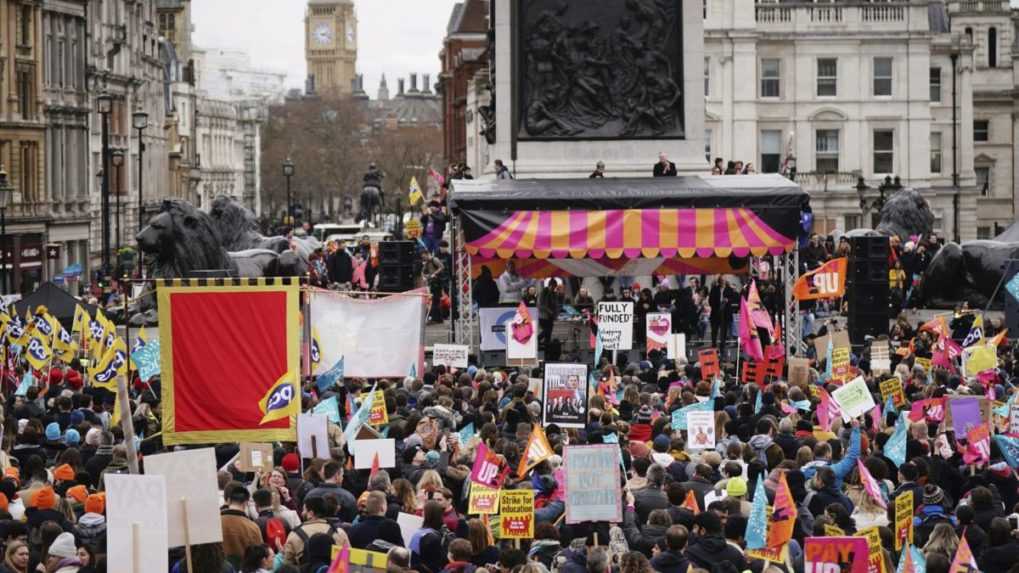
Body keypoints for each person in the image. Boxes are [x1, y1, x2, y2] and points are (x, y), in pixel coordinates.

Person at [221, 484, 264, 565]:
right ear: (246, 503)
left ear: (229, 500)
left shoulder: (216, 523)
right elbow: (259, 555)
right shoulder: (253, 527)